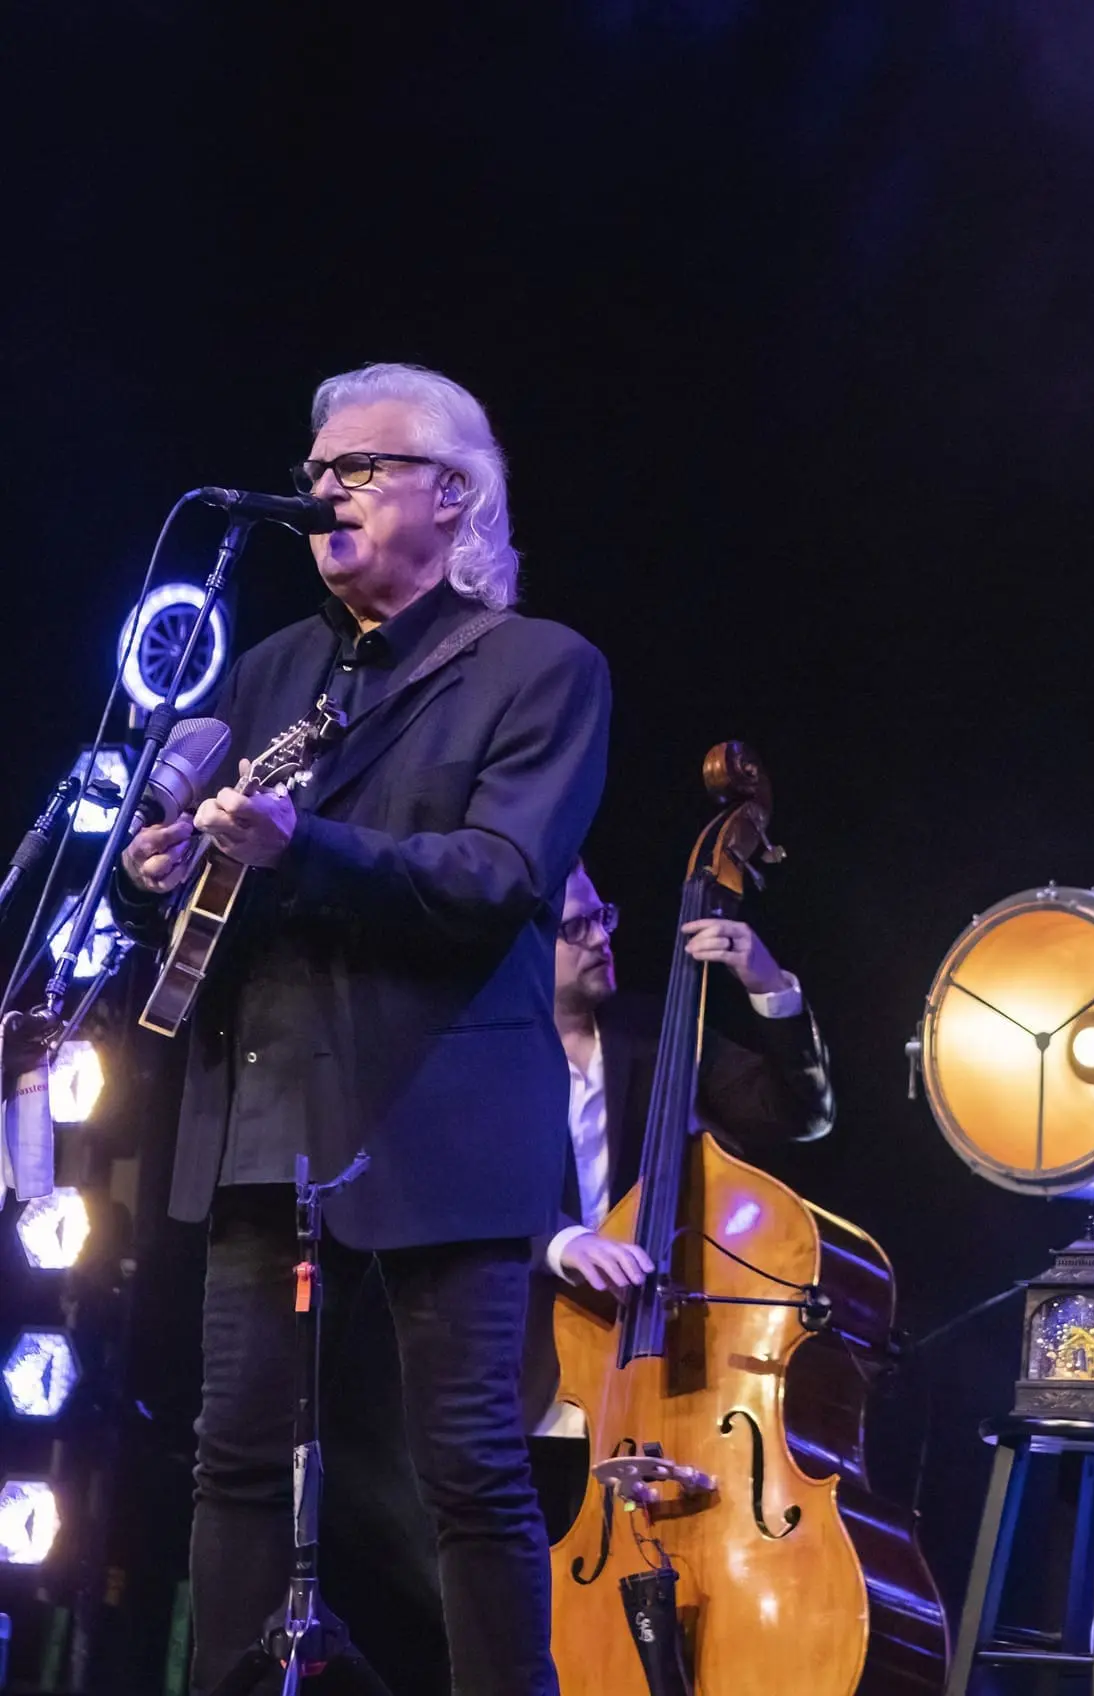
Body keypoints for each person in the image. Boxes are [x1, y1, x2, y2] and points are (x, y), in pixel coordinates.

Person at [118, 362, 608, 1696]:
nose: (320, 486)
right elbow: (226, 859)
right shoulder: (276, 668)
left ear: (453, 498)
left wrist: (303, 844)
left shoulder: (538, 668)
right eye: (317, 463)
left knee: (467, 1469)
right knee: (231, 1455)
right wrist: (165, 859)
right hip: (261, 1104)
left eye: (360, 467)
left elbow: (496, 877)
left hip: (433, 1114)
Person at [524, 856, 835, 1421]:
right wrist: (562, 1242)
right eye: (576, 928)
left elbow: (798, 1113)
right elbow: (455, 1191)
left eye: (603, 918)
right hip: (531, 1379)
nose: (600, 938)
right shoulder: (487, 1058)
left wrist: (768, 984)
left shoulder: (660, 1034)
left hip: (665, 1363)